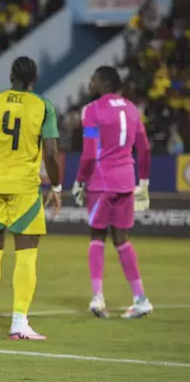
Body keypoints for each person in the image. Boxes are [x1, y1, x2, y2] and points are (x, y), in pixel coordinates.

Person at [0, 56, 62, 340]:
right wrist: (56, 186)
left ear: (11, 76)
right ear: (34, 79)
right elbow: (51, 154)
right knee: (26, 253)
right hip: (26, 187)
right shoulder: (43, 107)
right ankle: (18, 322)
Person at [72, 66, 152, 319]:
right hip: (126, 181)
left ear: (104, 83)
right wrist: (144, 182)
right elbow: (145, 149)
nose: (89, 85)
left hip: (101, 181)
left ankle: (97, 298)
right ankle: (140, 299)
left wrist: (80, 180)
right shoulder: (132, 110)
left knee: (97, 236)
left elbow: (88, 152)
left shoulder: (92, 111)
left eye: (93, 80)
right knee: (122, 240)